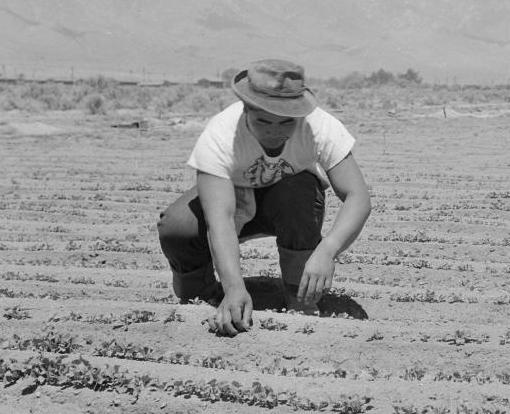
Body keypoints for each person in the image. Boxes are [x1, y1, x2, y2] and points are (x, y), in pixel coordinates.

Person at [157, 59, 371, 336]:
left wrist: (328, 250)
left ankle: (299, 294)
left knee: (298, 188)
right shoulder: (221, 133)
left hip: (288, 204)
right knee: (177, 226)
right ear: (246, 109)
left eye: (286, 122)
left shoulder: (319, 126)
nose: (275, 131)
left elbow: (358, 197)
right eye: (263, 121)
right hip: (232, 201)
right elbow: (219, 219)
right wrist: (234, 287)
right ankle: (203, 293)